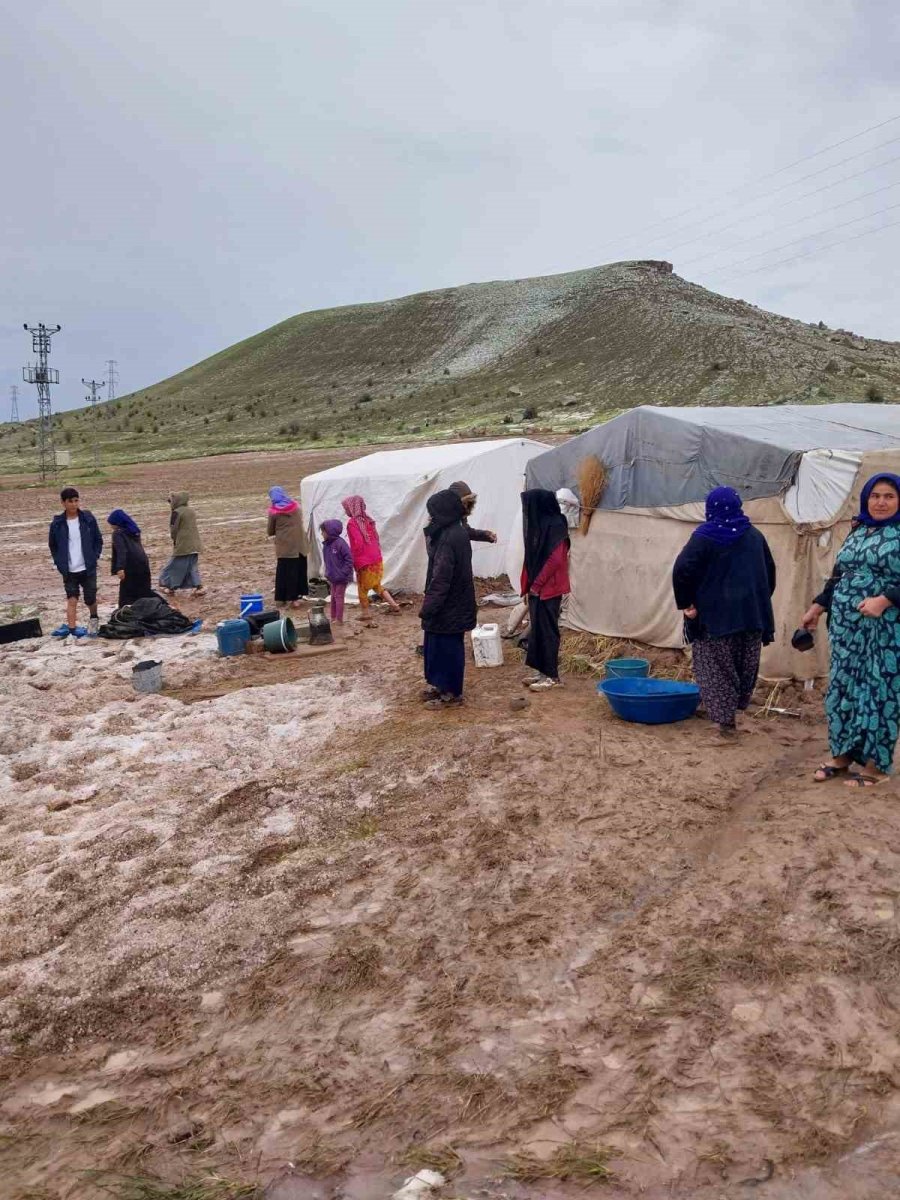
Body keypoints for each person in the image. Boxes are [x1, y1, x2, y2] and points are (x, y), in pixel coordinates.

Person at [802, 473, 900, 787]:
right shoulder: (858, 529)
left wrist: (884, 600)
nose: (881, 502)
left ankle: (876, 767)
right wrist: (818, 606)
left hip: (883, 631)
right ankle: (842, 755)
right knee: (843, 690)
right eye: (875, 496)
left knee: (878, 692)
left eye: (889, 496)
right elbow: (839, 574)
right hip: (845, 630)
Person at [672, 486, 776, 737]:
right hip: (751, 617)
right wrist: (755, 601)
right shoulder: (754, 536)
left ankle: (725, 723)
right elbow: (769, 573)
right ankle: (733, 711)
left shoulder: (705, 537)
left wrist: (688, 605)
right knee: (742, 666)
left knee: (716, 669)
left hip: (715, 620)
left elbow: (681, 570)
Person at [420, 489, 476, 708]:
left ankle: (451, 694)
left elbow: (441, 579)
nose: (431, 518)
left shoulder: (449, 537)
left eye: (433, 513)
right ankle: (440, 686)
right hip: (452, 603)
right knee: (436, 646)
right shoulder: (453, 531)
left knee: (448, 649)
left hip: (449, 605)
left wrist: (428, 607)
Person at [520, 489, 570, 691]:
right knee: (537, 630)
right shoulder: (540, 526)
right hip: (536, 589)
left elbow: (556, 560)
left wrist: (537, 585)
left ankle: (552, 677)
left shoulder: (556, 526)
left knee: (548, 631)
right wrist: (527, 587)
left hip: (549, 589)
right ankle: (541, 672)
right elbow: (532, 558)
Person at [48, 487, 103, 639]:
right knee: (72, 598)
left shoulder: (88, 518)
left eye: (76, 500)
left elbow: (98, 540)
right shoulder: (57, 523)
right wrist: (59, 563)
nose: (74, 504)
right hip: (69, 570)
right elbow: (52, 545)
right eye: (70, 501)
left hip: (87, 568)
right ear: (63, 503)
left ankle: (94, 620)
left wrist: (94, 556)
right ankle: (72, 629)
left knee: (90, 598)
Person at [341, 495, 400, 618]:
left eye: (346, 508)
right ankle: (394, 605)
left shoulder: (352, 523)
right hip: (376, 559)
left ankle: (365, 613)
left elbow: (358, 543)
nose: (345, 511)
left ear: (352, 508)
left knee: (362, 588)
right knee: (377, 585)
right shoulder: (368, 520)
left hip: (364, 561)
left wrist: (352, 558)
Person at [266, 486, 309, 608]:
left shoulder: (274, 512)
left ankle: (284, 598)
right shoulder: (296, 507)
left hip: (285, 547)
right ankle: (297, 596)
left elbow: (270, 531)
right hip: (300, 544)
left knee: (284, 572)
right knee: (298, 571)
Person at [159, 492, 205, 597]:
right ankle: (199, 587)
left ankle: (167, 586)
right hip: (195, 544)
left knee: (173, 565)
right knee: (192, 567)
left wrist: (175, 540)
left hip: (183, 545)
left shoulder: (176, 512)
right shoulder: (191, 511)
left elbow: (173, 530)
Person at [107, 509, 153, 607]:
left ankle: (125, 618)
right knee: (145, 595)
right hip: (143, 565)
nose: (111, 526)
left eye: (111, 524)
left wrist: (120, 568)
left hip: (131, 568)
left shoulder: (117, 534)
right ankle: (166, 608)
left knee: (125, 599)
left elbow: (122, 551)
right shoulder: (134, 531)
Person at [321, 519, 353, 624]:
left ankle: (339, 619)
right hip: (333, 576)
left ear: (330, 531)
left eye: (323, 531)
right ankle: (333, 617)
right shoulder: (326, 545)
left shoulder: (341, 544)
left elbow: (349, 560)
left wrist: (343, 573)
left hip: (341, 577)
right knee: (333, 597)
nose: (322, 534)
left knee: (339, 597)